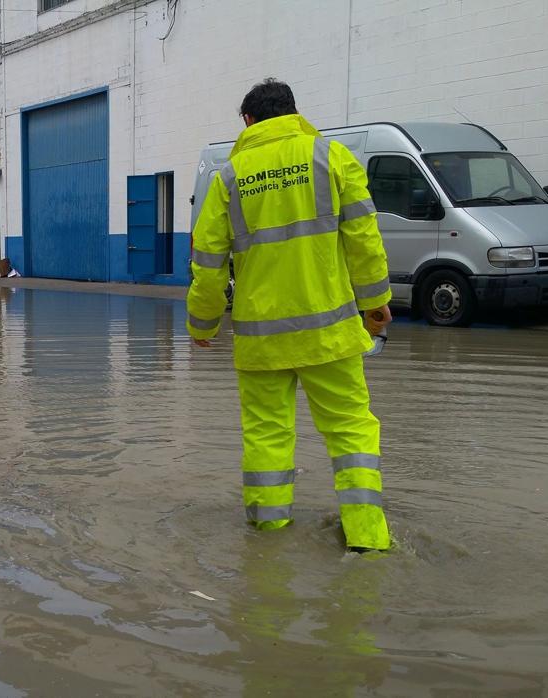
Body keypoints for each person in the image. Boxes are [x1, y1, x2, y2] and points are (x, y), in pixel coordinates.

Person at [186, 79, 393, 552]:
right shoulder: (333, 158)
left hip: (262, 341)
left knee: (266, 436)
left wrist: (203, 325)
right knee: (351, 430)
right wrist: (376, 304)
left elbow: (209, 265)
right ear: (293, 113)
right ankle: (368, 539)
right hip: (332, 335)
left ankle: (267, 540)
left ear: (249, 121)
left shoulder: (229, 177)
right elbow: (364, 239)